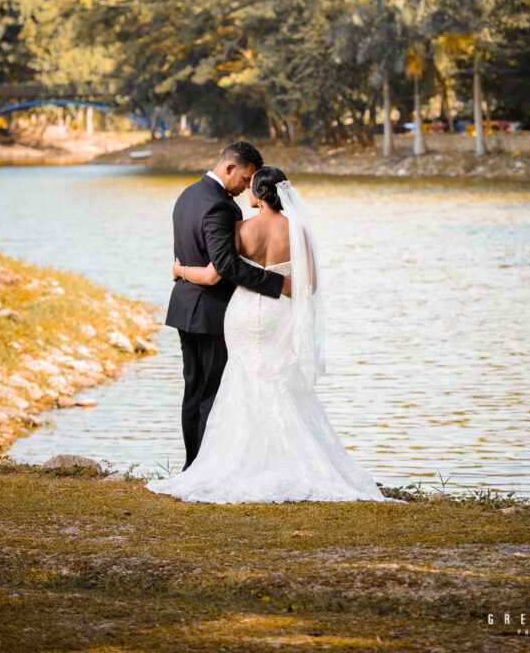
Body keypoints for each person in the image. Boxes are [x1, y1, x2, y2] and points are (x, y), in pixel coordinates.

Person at [147, 166, 384, 503]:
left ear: (258, 194)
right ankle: (291, 461)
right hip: (278, 315)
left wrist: (180, 270)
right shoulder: (300, 231)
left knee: (241, 380)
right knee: (279, 379)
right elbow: (310, 286)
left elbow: (216, 275)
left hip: (243, 314)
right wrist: (284, 287)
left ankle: (234, 462)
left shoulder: (241, 229)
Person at [164, 141, 291, 469]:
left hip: (184, 306)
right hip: (211, 313)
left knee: (193, 388)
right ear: (229, 167)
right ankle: (203, 467)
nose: (249, 186)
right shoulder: (221, 206)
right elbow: (227, 266)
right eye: (247, 178)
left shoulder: (187, 195)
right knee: (212, 393)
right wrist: (278, 283)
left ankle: (192, 464)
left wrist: (181, 272)